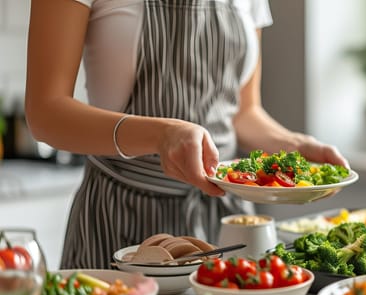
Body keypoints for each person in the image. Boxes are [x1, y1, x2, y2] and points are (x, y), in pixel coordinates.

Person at [25, 0, 348, 269]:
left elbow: (243, 112)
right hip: (120, 217)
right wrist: (162, 134)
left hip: (227, 224)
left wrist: (295, 146)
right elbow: (45, 112)